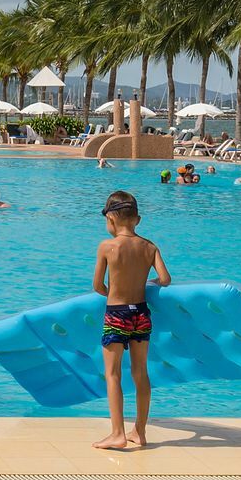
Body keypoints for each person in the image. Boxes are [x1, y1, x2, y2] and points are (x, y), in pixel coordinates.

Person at [91, 191, 170, 451]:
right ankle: (140, 431)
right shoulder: (149, 246)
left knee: (113, 374)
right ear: (138, 219)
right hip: (141, 314)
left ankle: (117, 433)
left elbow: (97, 286)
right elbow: (165, 279)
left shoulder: (107, 246)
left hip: (117, 314)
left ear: (111, 219)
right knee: (140, 373)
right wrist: (149, 283)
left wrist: (113, 293)